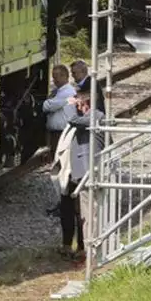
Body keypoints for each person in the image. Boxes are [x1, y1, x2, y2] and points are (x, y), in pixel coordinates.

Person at [55, 92, 105, 261]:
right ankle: (84, 248)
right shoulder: (90, 117)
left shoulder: (96, 116)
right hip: (79, 173)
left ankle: (91, 251)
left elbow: (72, 120)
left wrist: (69, 105)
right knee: (80, 212)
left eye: (78, 106)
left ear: (85, 104)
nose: (76, 109)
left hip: (88, 172)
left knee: (89, 213)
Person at [42, 65, 77, 217]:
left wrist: (47, 102)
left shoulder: (67, 92)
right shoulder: (60, 92)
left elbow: (47, 106)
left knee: (60, 168)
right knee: (59, 167)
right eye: (53, 76)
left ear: (65, 76)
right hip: (57, 133)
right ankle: (62, 202)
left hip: (62, 134)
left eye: (56, 76)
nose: (54, 79)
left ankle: (63, 203)